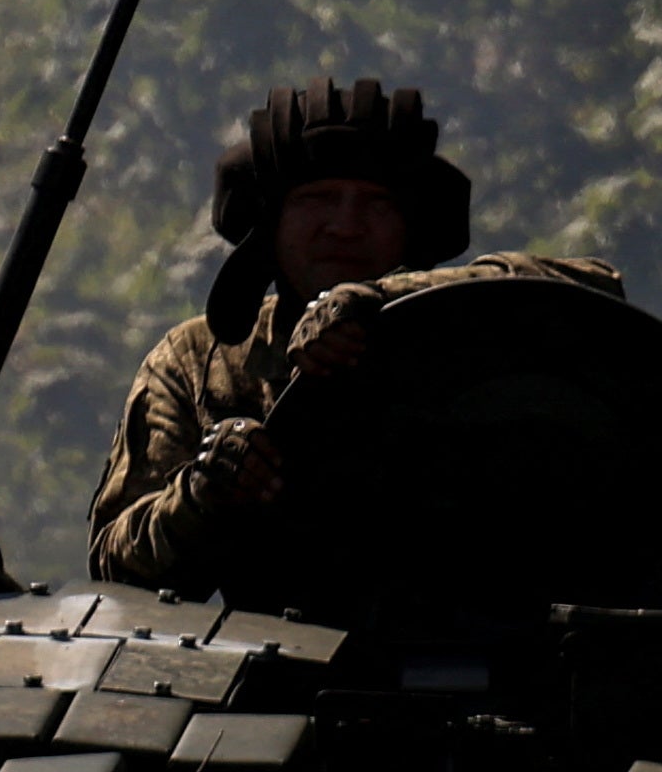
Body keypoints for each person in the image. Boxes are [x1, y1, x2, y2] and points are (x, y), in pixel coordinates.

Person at [85, 77, 626, 599]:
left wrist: (386, 302)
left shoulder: (476, 323)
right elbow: (115, 572)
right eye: (317, 199)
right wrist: (207, 490)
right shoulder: (201, 361)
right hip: (285, 673)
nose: (346, 225)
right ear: (272, 222)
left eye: (377, 203)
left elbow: (595, 288)